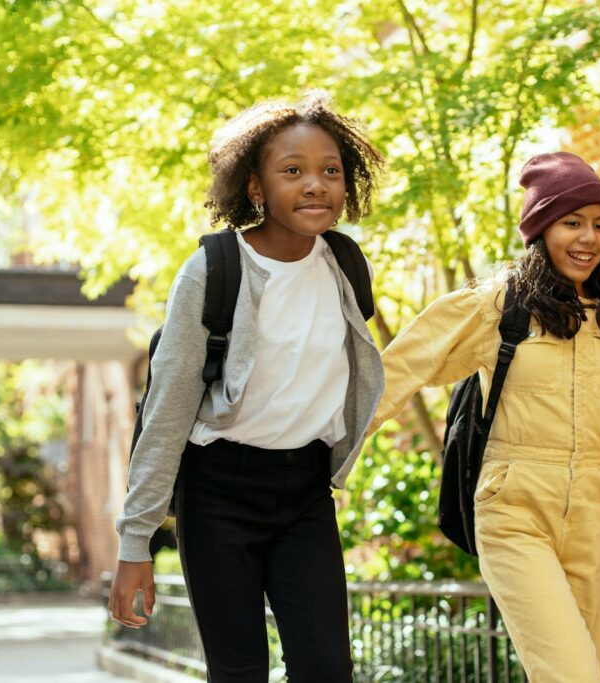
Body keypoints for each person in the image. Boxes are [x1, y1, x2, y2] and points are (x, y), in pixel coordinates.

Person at [370, 152, 600, 682]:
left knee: (592, 673)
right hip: (513, 507)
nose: (588, 238)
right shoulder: (499, 305)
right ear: (541, 228)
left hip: (591, 512)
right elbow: (396, 373)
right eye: (572, 222)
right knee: (572, 676)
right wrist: (318, 458)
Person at [108, 91, 384, 683]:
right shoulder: (213, 268)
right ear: (256, 188)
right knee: (238, 672)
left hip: (306, 491)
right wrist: (136, 543)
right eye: (293, 171)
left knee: (327, 669)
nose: (316, 185)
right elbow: (168, 408)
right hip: (219, 492)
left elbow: (360, 372)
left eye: (330, 171)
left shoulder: (345, 264)